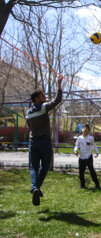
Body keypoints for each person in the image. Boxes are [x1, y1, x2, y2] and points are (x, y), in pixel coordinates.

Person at [26, 76, 63, 206]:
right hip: (44, 142)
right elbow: (58, 100)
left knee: (33, 167)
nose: (44, 97)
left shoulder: (28, 113)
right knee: (45, 165)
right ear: (36, 99)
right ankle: (36, 187)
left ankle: (35, 188)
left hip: (33, 142)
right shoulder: (42, 107)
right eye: (42, 96)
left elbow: (29, 127)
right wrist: (59, 85)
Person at [74, 124, 100, 189]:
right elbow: (77, 145)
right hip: (82, 157)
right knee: (81, 172)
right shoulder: (79, 138)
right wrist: (76, 151)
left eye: (87, 129)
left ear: (89, 131)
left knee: (92, 171)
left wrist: (97, 152)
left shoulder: (91, 138)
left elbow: (94, 145)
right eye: (84, 128)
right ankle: (82, 185)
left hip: (88, 157)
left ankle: (97, 184)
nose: (85, 130)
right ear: (82, 129)